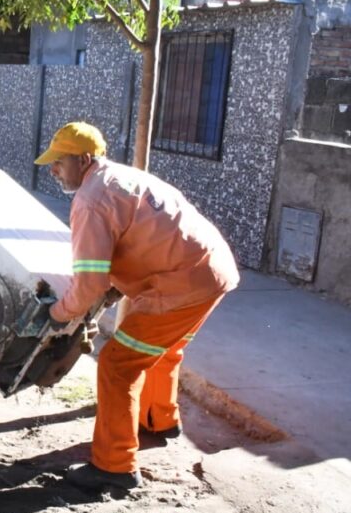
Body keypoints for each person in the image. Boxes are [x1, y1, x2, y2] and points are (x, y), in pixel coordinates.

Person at [33, 122, 240, 491]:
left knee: (117, 364)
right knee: (165, 350)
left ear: (83, 160)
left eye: (59, 162)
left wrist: (56, 314)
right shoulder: (123, 177)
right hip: (212, 271)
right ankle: (160, 421)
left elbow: (89, 283)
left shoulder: (90, 200)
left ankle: (114, 467)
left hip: (180, 285)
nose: (53, 170)